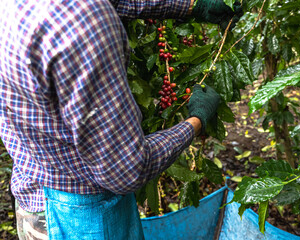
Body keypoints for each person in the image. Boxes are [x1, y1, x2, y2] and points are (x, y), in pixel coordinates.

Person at [0, 0, 242, 239]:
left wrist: (191, 6)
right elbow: (126, 169)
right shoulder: (82, 22)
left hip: (31, 194)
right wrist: (196, 121)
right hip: (81, 217)